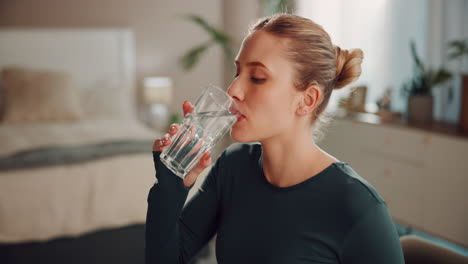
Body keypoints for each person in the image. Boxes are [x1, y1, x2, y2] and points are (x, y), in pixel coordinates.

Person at [146, 13, 404, 264]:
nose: (233, 89)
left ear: (307, 100)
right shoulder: (232, 168)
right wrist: (171, 184)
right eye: (238, 73)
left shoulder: (359, 207)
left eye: (257, 78)